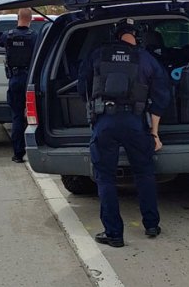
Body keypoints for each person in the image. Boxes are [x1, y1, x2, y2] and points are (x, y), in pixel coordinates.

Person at [77, 18, 171, 247]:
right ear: (136, 36)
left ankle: (114, 234)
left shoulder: (98, 54)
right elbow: (161, 96)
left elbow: (82, 85)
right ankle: (151, 224)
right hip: (134, 123)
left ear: (116, 35)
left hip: (105, 122)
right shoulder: (146, 59)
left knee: (105, 177)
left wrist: (94, 112)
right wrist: (155, 133)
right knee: (144, 173)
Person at [0, 8, 39, 163]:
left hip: (15, 79)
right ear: (31, 19)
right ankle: (36, 150)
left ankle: (18, 154)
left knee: (16, 117)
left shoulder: (7, 36)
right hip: (30, 80)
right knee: (34, 117)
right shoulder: (34, 37)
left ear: (17, 18)